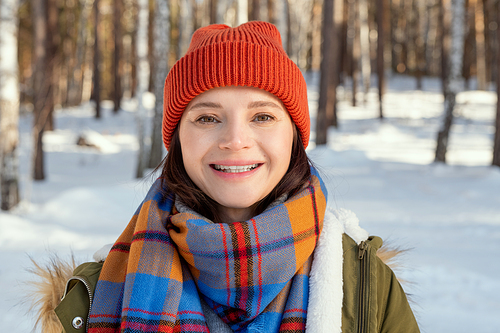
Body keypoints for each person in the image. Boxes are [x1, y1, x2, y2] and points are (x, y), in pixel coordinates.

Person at [33, 21, 419, 333]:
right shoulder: (96, 295)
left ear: (294, 136)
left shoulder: (366, 286)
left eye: (262, 116)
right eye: (207, 117)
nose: (235, 140)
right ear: (178, 139)